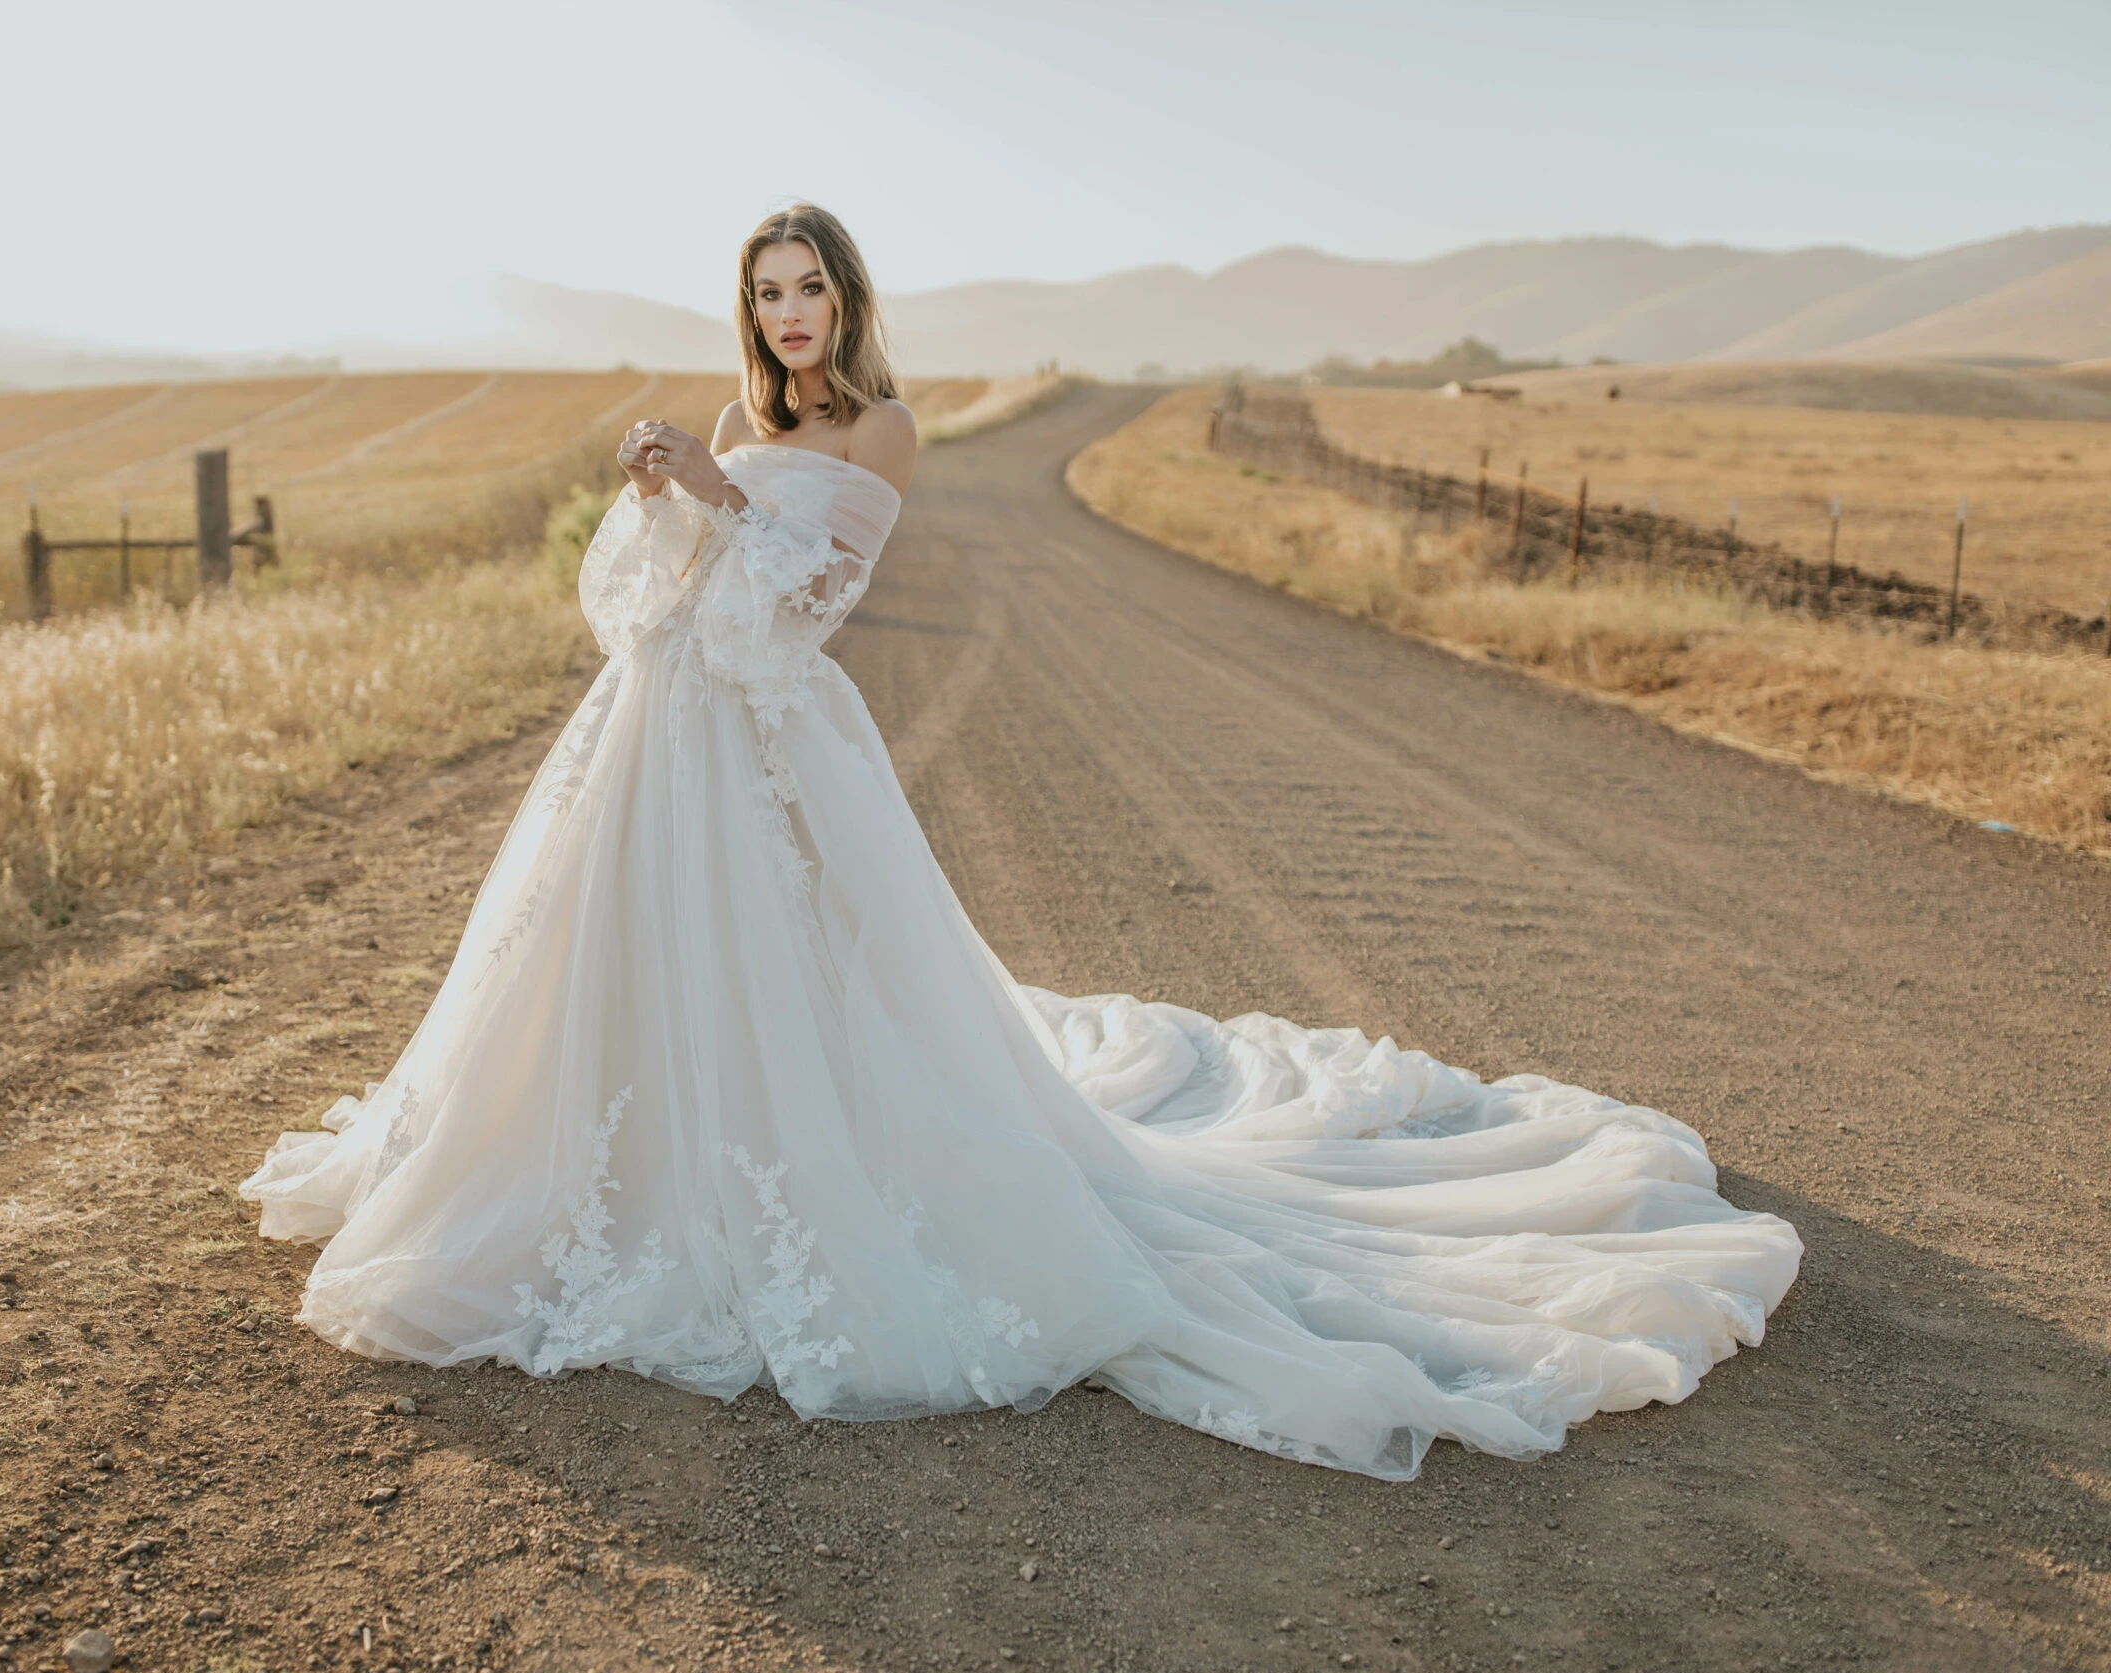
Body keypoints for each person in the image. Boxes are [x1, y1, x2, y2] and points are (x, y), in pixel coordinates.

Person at [242, 204, 1800, 1480]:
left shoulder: (888, 429)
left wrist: (718, 497)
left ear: (848, 299)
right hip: (656, 737)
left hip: (771, 736)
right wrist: (660, 499)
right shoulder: (739, 417)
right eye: (767, 293)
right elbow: (655, 602)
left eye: (811, 290)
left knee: (794, 971)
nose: (791, 317)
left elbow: (798, 614)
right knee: (614, 967)